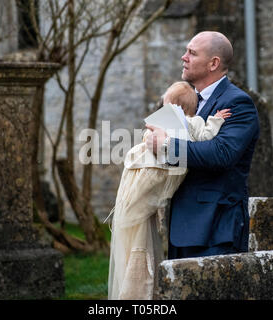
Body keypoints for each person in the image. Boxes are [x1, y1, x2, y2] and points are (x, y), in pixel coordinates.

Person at [108, 81, 231, 300]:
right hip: (154, 167)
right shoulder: (187, 123)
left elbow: (205, 136)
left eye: (166, 106)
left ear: (179, 110)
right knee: (136, 221)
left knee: (137, 227)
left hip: (161, 169)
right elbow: (207, 133)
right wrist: (216, 120)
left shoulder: (192, 123)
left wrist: (215, 120)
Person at [145, 31, 260, 259]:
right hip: (180, 225)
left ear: (213, 63)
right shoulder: (187, 100)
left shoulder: (238, 103)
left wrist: (167, 145)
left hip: (216, 229)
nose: (183, 57)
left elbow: (222, 153)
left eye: (192, 53)